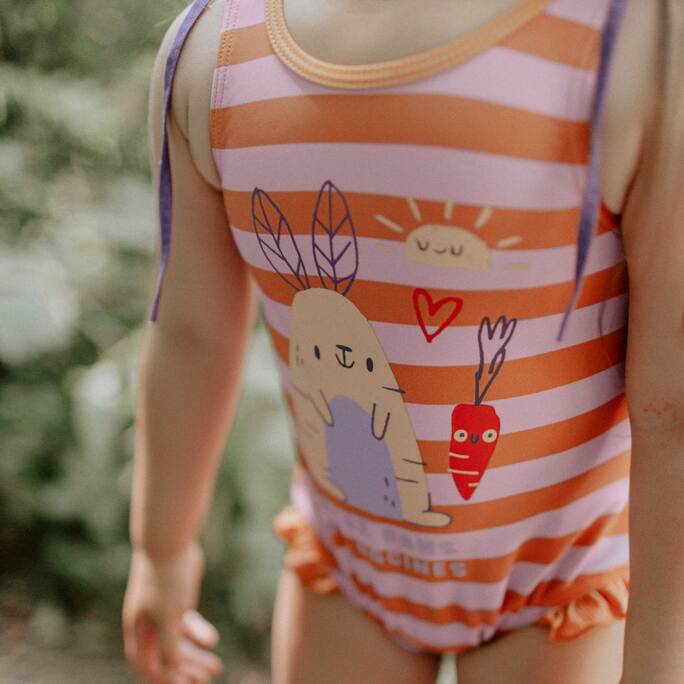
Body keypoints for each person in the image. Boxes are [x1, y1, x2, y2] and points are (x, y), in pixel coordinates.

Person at [121, 0, 684, 682]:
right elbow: (192, 333)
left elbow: (672, 406)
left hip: (566, 581)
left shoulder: (633, 38)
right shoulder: (216, 57)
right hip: (349, 564)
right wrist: (160, 548)